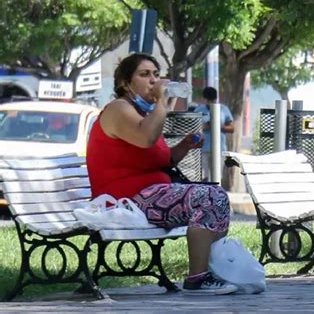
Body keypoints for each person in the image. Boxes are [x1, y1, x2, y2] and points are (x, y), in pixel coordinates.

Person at [86, 53, 237, 295]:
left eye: (157, 74)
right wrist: (161, 102)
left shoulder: (142, 115)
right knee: (210, 198)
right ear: (126, 83)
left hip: (151, 194)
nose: (154, 81)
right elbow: (146, 138)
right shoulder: (118, 109)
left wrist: (185, 145)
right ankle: (197, 279)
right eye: (145, 75)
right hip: (126, 200)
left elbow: (163, 159)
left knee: (217, 196)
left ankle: (212, 271)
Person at [194, 87, 234, 182]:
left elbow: (232, 128)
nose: (210, 102)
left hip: (219, 148)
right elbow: (194, 128)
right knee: (204, 176)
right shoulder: (199, 110)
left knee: (217, 177)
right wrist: (206, 126)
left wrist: (217, 126)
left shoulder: (223, 109)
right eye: (208, 99)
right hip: (203, 148)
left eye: (212, 99)